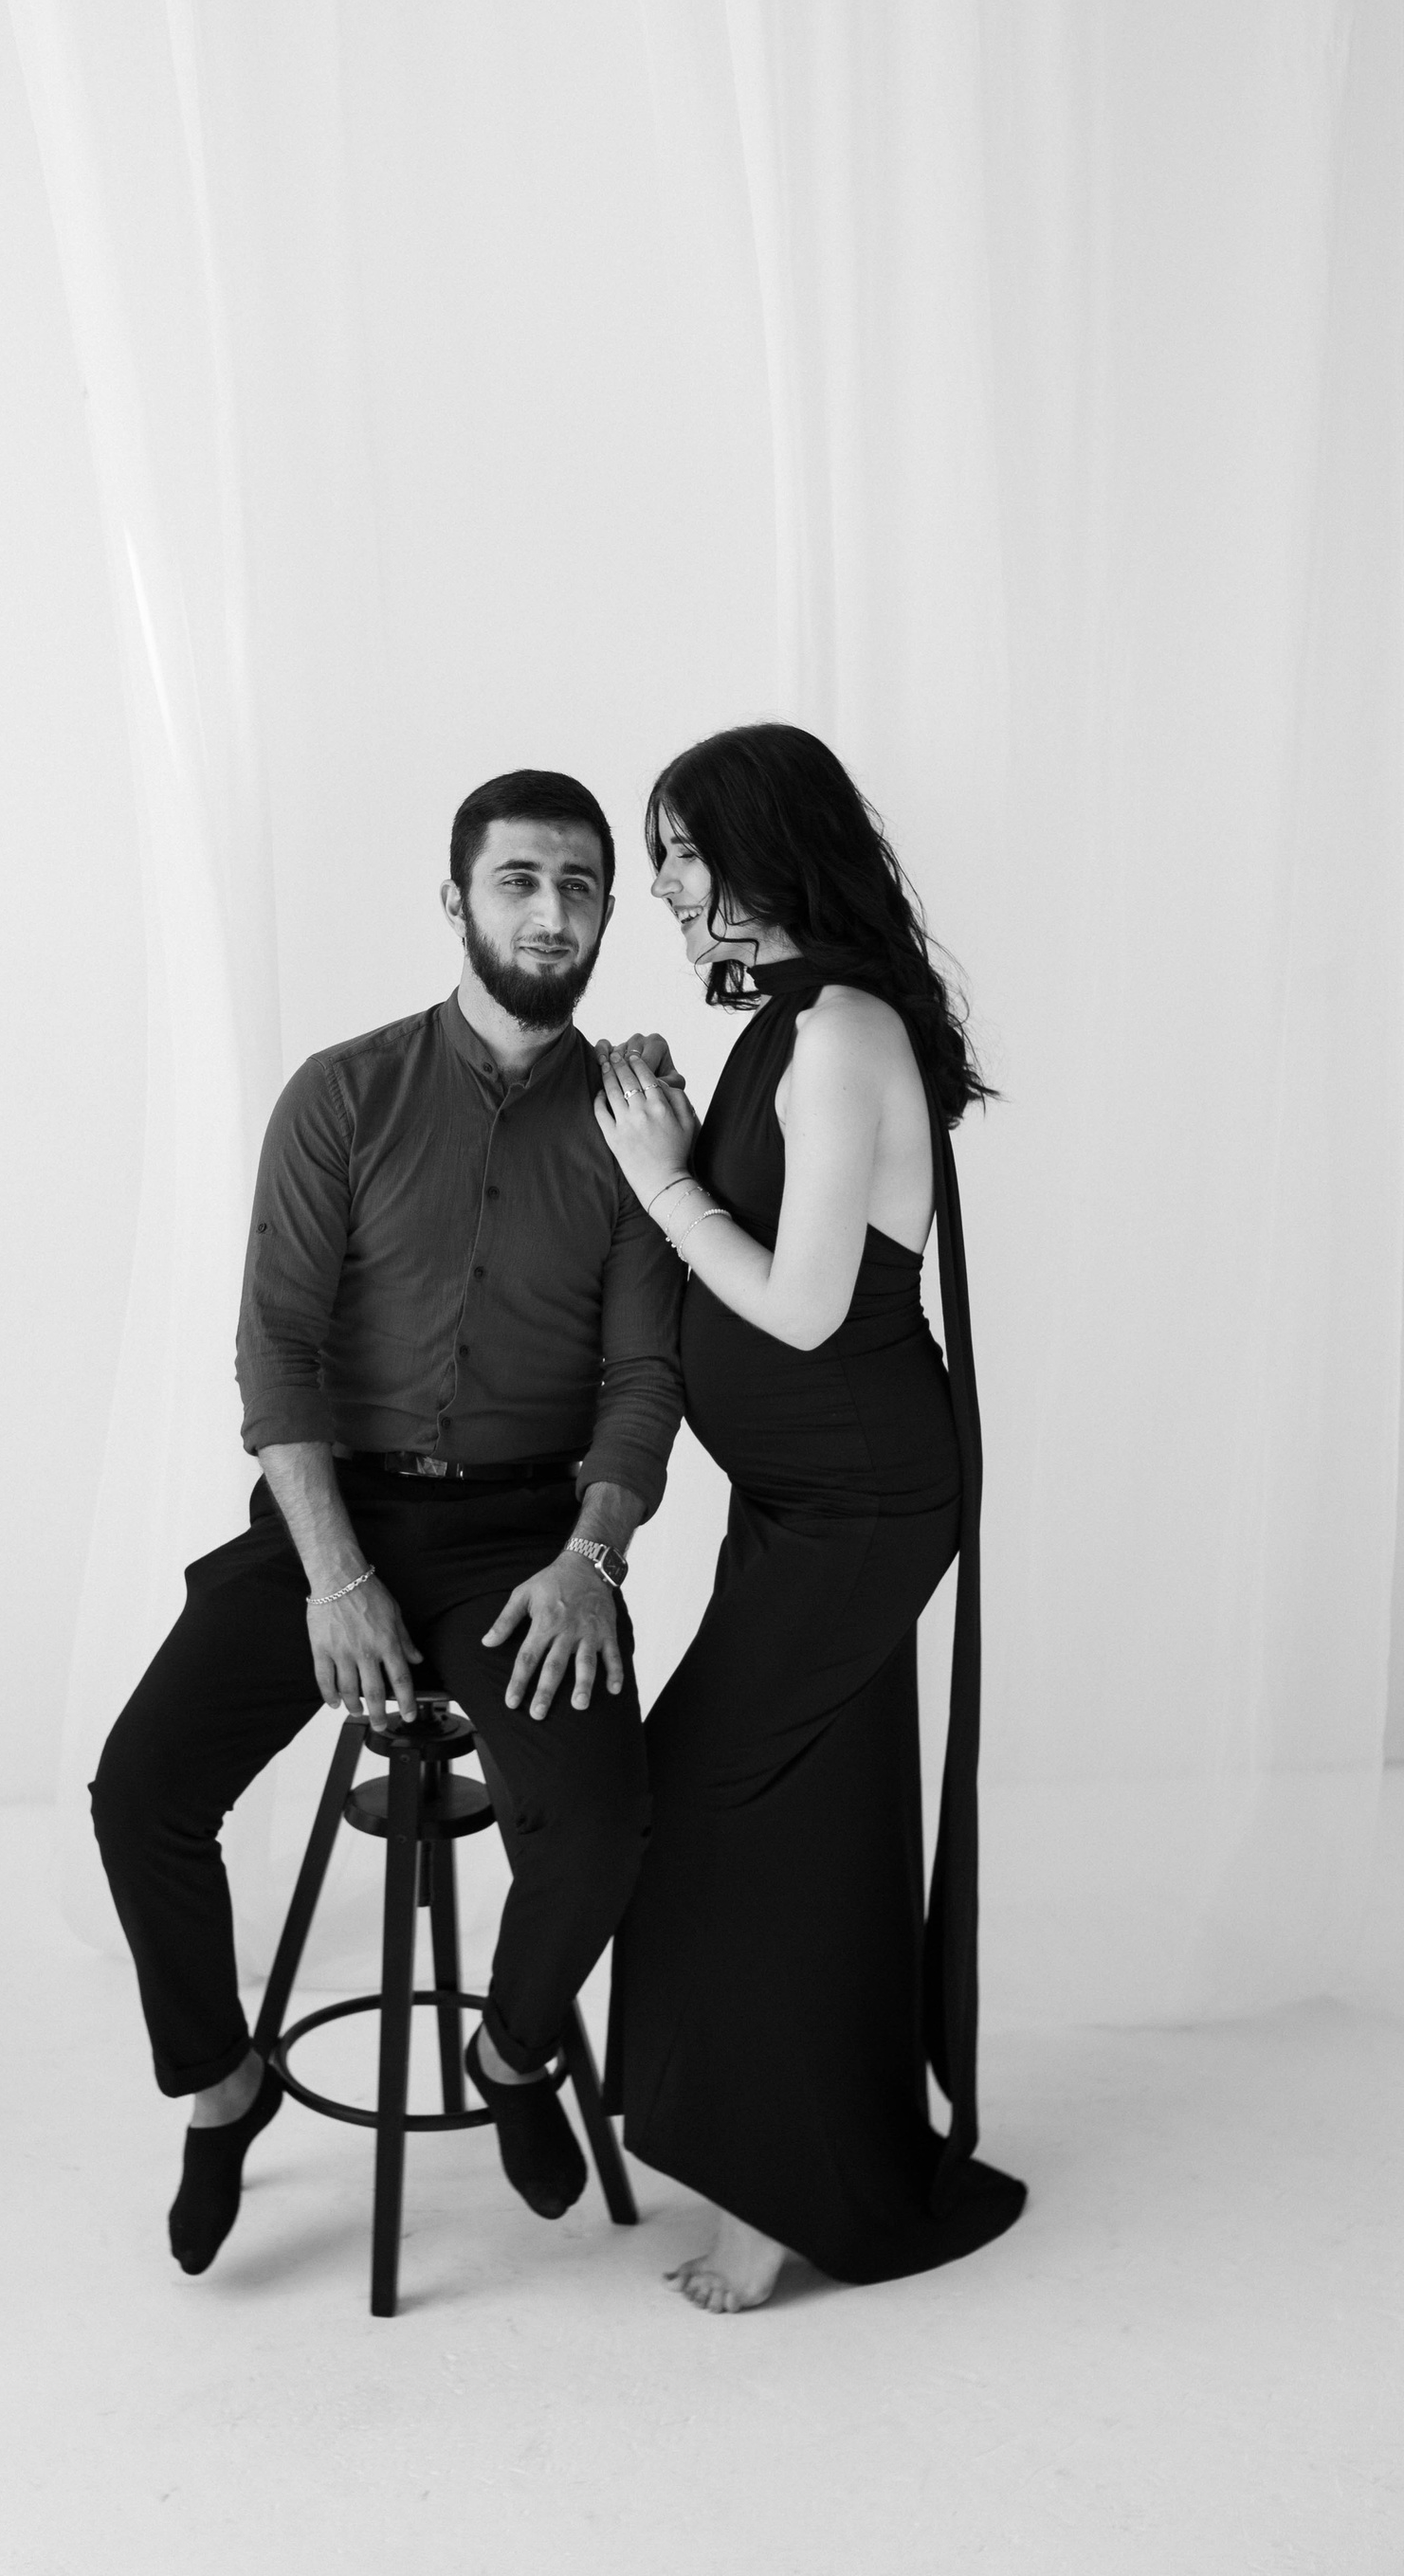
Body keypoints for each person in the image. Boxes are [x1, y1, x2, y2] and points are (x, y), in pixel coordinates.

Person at [90, 771, 683, 2277]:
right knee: (142, 1793)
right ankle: (221, 2086)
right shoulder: (341, 1094)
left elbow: (643, 1381)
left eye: (581, 885)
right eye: (519, 880)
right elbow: (274, 1350)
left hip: (525, 1544)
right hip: (329, 1519)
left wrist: (593, 1556)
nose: (552, 912)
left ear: (608, 913)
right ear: (455, 901)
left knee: (604, 1823)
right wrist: (335, 1576)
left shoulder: (633, 1128)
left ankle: (513, 2053)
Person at [592, 721, 1027, 2312]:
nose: (665, 886)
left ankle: (781, 2188)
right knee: (814, 1822)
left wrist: (661, 1179)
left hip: (862, 1500)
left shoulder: (841, 1033)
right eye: (662, 858)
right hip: (804, 1495)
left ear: (770, 846)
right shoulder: (791, 1021)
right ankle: (811, 2152)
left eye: (685, 850)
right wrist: (674, 1133)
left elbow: (800, 1305)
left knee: (708, 1800)